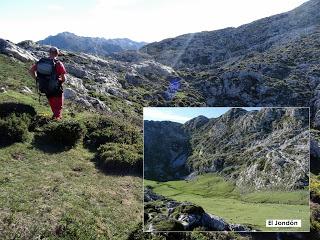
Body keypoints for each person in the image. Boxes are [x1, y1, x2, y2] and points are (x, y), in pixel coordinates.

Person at [29, 47, 67, 120]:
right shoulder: (58, 63)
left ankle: (55, 118)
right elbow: (64, 79)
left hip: (45, 87)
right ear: (57, 54)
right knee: (58, 106)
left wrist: (37, 79)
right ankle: (56, 121)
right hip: (56, 88)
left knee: (52, 103)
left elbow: (31, 71)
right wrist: (59, 82)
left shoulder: (41, 61)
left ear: (49, 52)